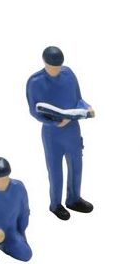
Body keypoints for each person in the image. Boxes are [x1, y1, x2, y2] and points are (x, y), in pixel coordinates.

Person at [26, 46, 95, 220]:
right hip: (52, 134)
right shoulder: (35, 81)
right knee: (55, 171)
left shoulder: (69, 74)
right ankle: (55, 204)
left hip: (72, 130)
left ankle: (74, 199)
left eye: (58, 67)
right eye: (52, 67)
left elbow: (78, 99)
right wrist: (55, 122)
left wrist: (87, 108)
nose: (55, 70)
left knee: (77, 166)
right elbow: (34, 111)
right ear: (45, 63)